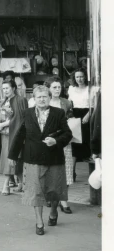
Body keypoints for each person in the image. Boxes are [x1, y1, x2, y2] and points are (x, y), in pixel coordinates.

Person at [8, 85, 72, 236]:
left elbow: (67, 134)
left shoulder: (59, 113)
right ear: (34, 99)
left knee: (54, 190)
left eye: (45, 96)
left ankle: (54, 211)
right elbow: (19, 135)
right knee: (36, 191)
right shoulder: (27, 113)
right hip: (33, 158)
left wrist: (56, 141)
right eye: (39, 97)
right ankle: (39, 222)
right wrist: (12, 156)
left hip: (54, 158)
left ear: (50, 98)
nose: (42, 99)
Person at [0, 79, 28, 195]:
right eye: (3, 88)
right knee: (11, 158)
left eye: (7, 88)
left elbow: (20, 119)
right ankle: (22, 183)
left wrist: (2, 124)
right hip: (5, 134)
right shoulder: (3, 101)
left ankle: (6, 184)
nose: (5, 90)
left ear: (13, 88)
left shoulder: (21, 100)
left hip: (15, 134)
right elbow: (0, 117)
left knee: (12, 157)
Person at [47, 77, 74, 213]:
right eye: (54, 87)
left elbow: (72, 120)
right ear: (49, 89)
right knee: (51, 169)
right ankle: (52, 198)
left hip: (64, 141)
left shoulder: (66, 103)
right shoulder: (44, 102)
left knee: (66, 170)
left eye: (59, 87)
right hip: (49, 141)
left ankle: (63, 200)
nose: (57, 90)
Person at [68, 69, 92, 171]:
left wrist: (88, 116)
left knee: (87, 140)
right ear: (74, 78)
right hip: (75, 115)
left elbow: (93, 105)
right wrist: (71, 115)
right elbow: (69, 104)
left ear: (85, 77)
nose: (79, 79)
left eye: (81, 76)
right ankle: (72, 172)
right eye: (77, 77)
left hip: (87, 114)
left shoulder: (90, 89)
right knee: (75, 142)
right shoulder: (71, 89)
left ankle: (91, 171)